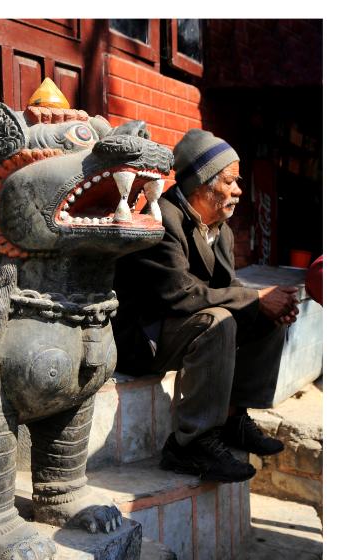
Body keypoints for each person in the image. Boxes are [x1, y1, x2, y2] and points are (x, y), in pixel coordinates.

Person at [113, 129, 299, 483]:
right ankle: (191, 444)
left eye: (238, 181)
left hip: (180, 327)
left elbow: (227, 287)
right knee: (219, 321)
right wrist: (255, 298)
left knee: (268, 316)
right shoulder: (163, 219)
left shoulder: (221, 228)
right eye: (230, 181)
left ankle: (232, 418)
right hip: (143, 339)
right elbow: (178, 293)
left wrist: (265, 304)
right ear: (200, 183)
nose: (239, 190)